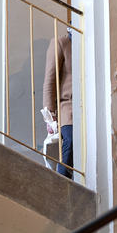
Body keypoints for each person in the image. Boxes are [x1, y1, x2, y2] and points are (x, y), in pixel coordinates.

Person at [41, 32, 73, 177]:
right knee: (70, 143)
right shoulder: (61, 43)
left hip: (88, 107)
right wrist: (49, 116)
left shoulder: (89, 43)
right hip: (68, 106)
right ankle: (59, 184)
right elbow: (49, 81)